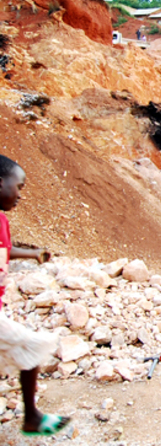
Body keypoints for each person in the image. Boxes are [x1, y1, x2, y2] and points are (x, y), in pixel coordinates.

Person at [0, 155, 71, 437]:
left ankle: (31, 416)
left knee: (27, 350)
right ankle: (31, 417)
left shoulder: (2, 220)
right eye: (19, 187)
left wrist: (32, 254)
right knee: (33, 346)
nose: (21, 195)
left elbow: (5, 250)